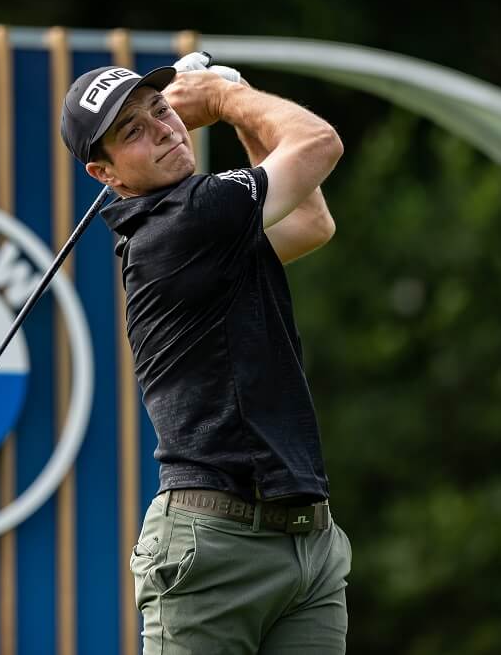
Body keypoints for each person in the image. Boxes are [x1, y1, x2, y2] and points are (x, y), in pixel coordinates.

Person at [60, 58, 350, 654]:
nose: (165, 129)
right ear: (105, 173)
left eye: (161, 110)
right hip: (212, 550)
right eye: (133, 132)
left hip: (307, 543)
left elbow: (313, 222)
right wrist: (223, 95)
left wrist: (237, 103)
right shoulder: (187, 219)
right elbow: (320, 142)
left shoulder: (215, 224)